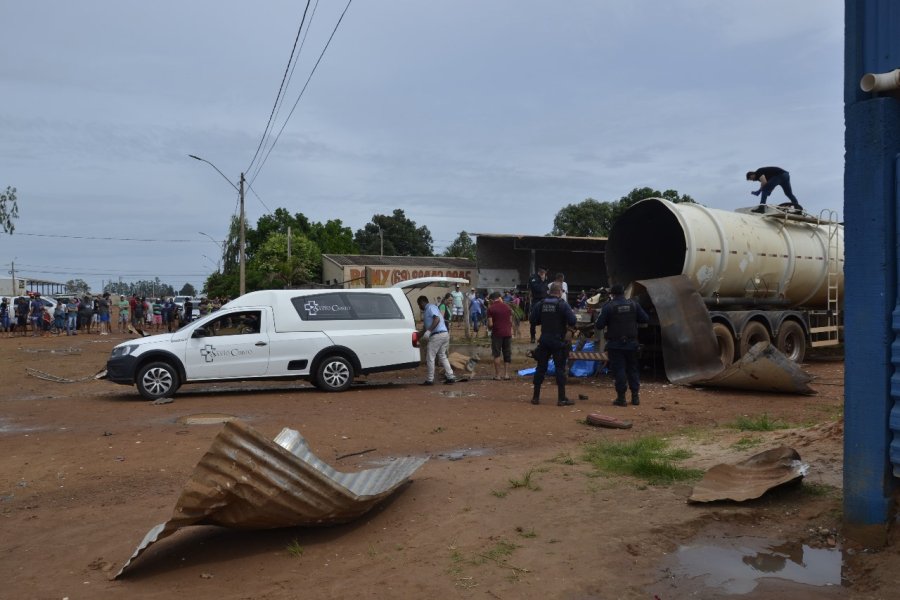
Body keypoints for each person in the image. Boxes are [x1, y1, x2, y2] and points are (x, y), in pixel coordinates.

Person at [594, 283, 649, 406]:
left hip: (616, 344)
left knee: (619, 370)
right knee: (633, 369)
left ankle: (621, 398)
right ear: (624, 293)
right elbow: (645, 318)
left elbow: (599, 325)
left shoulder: (609, 307)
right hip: (632, 343)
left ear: (613, 295)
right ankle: (635, 397)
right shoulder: (634, 305)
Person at [530, 282, 577, 406]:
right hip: (558, 340)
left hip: (544, 338)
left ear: (549, 291)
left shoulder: (541, 304)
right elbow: (572, 320)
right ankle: (561, 398)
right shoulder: (563, 304)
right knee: (560, 368)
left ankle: (535, 397)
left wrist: (542, 320)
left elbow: (532, 319)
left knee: (541, 367)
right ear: (560, 292)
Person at [416, 295, 456, 385]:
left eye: (419, 304)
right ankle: (450, 376)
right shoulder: (429, 310)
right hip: (443, 334)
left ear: (422, 302)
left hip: (437, 335)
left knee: (430, 357)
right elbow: (425, 328)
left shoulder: (430, 307)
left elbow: (437, 319)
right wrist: (418, 335)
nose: (419, 307)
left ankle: (430, 379)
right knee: (442, 355)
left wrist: (429, 331)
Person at [486, 292, 513, 380]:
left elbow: (490, 324)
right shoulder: (507, 307)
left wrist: (489, 327)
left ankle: (498, 375)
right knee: (507, 354)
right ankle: (506, 374)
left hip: (497, 333)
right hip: (507, 333)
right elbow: (511, 321)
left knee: (497, 354)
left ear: (492, 300)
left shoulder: (491, 309)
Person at [528, 266, 549, 343]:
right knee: (533, 319)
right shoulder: (533, 278)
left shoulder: (545, 278)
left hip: (544, 301)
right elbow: (537, 289)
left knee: (544, 319)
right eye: (545, 272)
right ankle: (533, 337)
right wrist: (542, 280)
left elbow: (545, 289)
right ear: (541, 272)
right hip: (536, 301)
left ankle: (542, 337)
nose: (545, 274)